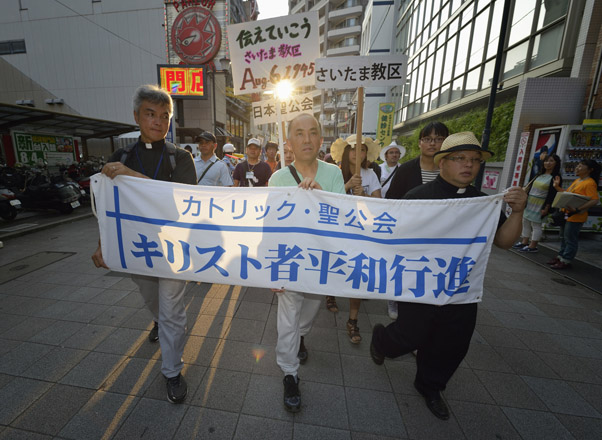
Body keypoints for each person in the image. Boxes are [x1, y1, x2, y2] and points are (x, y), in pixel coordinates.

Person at [370, 132, 527, 420]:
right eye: (460, 159)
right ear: (442, 163)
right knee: (409, 335)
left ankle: (430, 387)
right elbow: (390, 235)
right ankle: (381, 341)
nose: (468, 165)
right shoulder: (418, 198)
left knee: (451, 343)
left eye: (474, 160)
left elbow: (504, 241)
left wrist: (517, 211)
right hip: (420, 285)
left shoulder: (484, 203)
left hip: (461, 290)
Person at [91, 84, 196, 404]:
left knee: (173, 310)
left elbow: (182, 203)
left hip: (174, 248)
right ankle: (158, 321)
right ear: (136, 116)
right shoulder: (119, 156)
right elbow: (109, 209)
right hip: (137, 249)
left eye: (165, 116)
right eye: (151, 114)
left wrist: (131, 176)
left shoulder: (180, 158)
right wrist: (102, 246)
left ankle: (172, 371)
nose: (158, 121)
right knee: (153, 301)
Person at [268, 113, 345, 413]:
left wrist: (322, 197)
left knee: (309, 313)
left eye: (313, 133)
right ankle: (289, 373)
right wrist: (271, 270)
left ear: (321, 139)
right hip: (289, 260)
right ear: (289, 142)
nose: (307, 139)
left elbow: (343, 217)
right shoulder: (278, 177)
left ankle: (301, 337)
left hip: (320, 262)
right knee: (287, 318)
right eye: (299, 133)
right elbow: (270, 225)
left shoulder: (333, 173)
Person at [385, 121, 449, 319]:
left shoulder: (452, 170)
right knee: (409, 279)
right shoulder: (406, 170)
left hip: (441, 239)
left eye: (439, 139)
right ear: (420, 142)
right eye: (428, 139)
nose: (433, 144)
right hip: (410, 237)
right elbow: (392, 203)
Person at [325, 134, 382, 343]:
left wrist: (364, 196)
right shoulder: (334, 174)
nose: (359, 153)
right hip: (338, 231)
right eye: (354, 149)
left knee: (357, 273)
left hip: (362, 232)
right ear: (346, 152)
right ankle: (330, 293)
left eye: (363, 149)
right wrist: (347, 185)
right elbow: (327, 202)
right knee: (334, 266)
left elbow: (379, 204)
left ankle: (353, 321)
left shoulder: (371, 175)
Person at [548, 159, 600, 269]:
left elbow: (594, 200)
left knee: (570, 239)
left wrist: (578, 209)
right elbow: (568, 195)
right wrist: (557, 187)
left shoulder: (590, 183)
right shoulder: (578, 180)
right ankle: (561, 256)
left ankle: (566, 260)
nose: (577, 168)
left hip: (576, 216)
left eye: (581, 166)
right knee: (564, 237)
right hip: (567, 214)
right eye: (578, 165)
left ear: (590, 170)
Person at [513, 154, 561, 252]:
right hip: (530, 201)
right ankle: (524, 242)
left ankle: (533, 246)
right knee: (525, 221)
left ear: (556, 163)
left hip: (541, 203)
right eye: (546, 161)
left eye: (551, 161)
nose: (548, 163)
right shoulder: (540, 173)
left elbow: (552, 194)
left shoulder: (555, 177)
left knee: (536, 224)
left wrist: (547, 207)